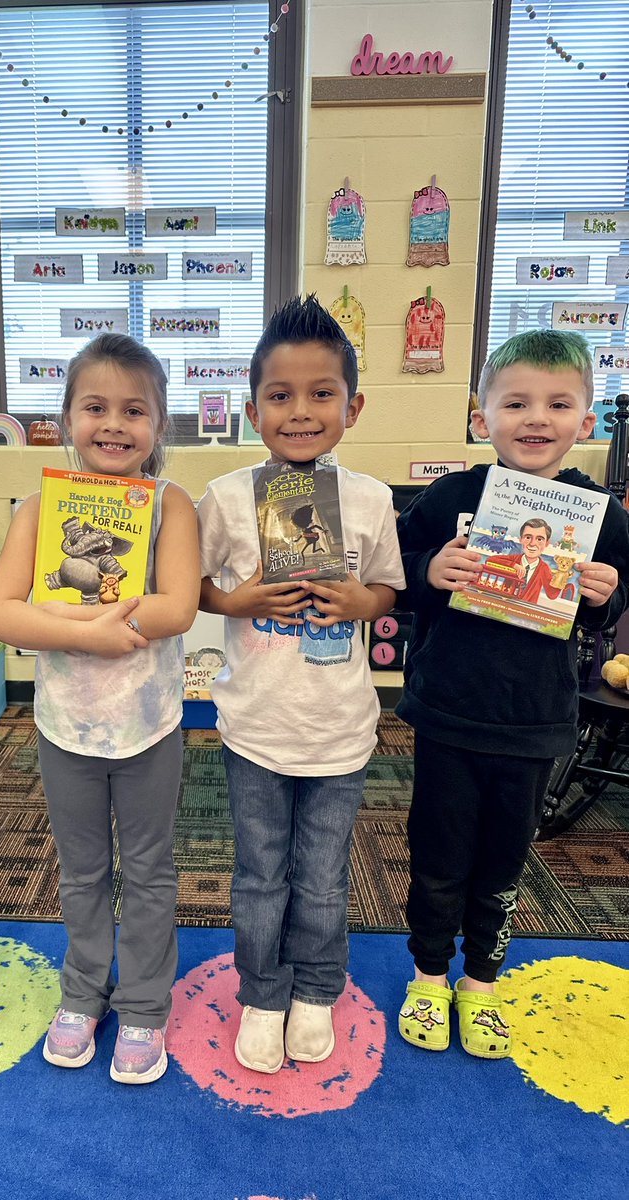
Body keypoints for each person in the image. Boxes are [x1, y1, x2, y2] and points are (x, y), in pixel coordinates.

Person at [395, 329, 629, 1058]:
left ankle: (482, 982)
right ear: (480, 417)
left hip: (534, 723)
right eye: (516, 402)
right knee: (436, 853)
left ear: (583, 423)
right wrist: (429, 570)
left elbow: (608, 606)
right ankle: (429, 976)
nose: (536, 418)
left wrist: (604, 594)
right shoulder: (452, 496)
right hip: (447, 713)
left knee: (502, 862)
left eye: (558, 404)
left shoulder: (600, 516)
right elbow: (396, 568)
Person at [0, 332, 199, 1085]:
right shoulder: (42, 508)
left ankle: (142, 1003)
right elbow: (1, 615)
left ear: (159, 425)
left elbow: (176, 605)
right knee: (79, 870)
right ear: (66, 418)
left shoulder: (171, 505)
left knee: (146, 869)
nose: (113, 424)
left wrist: (112, 630)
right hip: (65, 725)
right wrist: (92, 631)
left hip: (150, 725)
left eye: (134, 410)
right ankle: (84, 992)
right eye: (94, 407)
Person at [197, 295, 405, 1073]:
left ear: (351, 406)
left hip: (339, 728)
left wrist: (362, 602)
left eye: (321, 394)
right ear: (253, 409)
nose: (300, 411)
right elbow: (191, 590)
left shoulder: (370, 499)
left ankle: (317, 986)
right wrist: (235, 599)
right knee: (259, 875)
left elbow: (387, 588)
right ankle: (261, 990)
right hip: (254, 722)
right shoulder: (224, 497)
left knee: (321, 877)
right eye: (279, 396)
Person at [483, 517, 562, 603]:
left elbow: (552, 595)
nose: (532, 543)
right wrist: (513, 565)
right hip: (503, 603)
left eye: (539, 539)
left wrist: (560, 580)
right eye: (528, 537)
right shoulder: (514, 559)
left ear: (546, 543)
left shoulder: (544, 568)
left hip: (526, 610)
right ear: (520, 540)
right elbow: (490, 560)